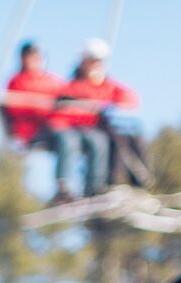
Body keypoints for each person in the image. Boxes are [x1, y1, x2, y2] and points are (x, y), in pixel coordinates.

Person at [56, 38, 143, 196]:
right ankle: (100, 186)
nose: (96, 65)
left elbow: (129, 97)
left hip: (107, 126)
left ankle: (139, 182)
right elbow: (65, 109)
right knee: (102, 141)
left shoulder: (107, 84)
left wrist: (114, 106)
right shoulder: (74, 86)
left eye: (99, 62)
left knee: (131, 133)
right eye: (92, 61)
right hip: (86, 128)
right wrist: (89, 110)